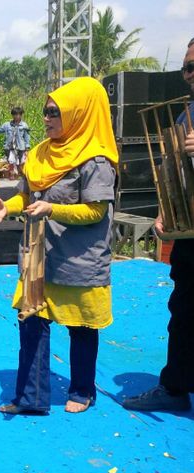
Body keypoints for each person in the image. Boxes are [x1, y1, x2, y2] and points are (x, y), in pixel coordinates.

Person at [0, 77, 118, 414]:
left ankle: (83, 389)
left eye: (54, 113)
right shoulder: (41, 153)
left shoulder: (96, 160)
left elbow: (96, 210)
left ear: (79, 115)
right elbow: (25, 196)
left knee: (81, 326)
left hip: (79, 260)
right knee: (31, 322)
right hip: (39, 256)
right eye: (46, 112)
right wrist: (9, 207)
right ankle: (30, 396)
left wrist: (52, 209)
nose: (45, 118)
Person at [122, 38, 194, 412]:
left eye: (193, 67)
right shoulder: (185, 115)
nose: (190, 75)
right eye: (187, 68)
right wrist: (165, 211)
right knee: (183, 312)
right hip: (190, 234)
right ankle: (175, 388)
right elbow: (175, 171)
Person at [0, 106, 30, 175]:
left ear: (21, 115)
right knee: (11, 162)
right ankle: (13, 175)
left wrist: (27, 148)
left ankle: (21, 176)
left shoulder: (24, 125)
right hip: (10, 147)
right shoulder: (7, 125)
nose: (16, 116)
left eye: (18, 114)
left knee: (21, 163)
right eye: (14, 114)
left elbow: (26, 137)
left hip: (20, 147)